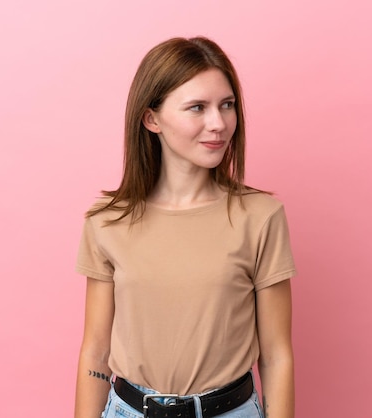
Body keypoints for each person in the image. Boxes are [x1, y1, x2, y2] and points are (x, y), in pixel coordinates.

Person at [74, 36, 296, 418]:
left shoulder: (261, 217)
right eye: (197, 107)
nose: (219, 123)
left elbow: (276, 355)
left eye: (227, 105)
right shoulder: (107, 220)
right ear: (152, 118)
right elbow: (96, 350)